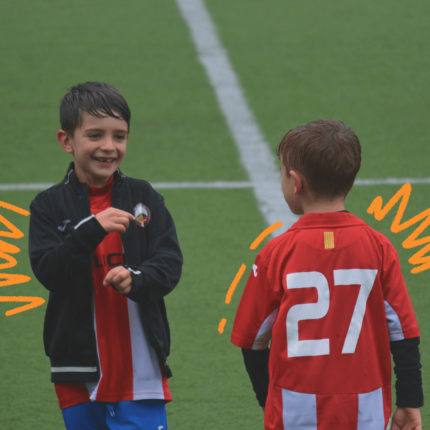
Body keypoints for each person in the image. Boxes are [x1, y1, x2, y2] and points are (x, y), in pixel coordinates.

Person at [231, 120, 423, 430]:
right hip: (366, 408)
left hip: (295, 408)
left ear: (296, 182)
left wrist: (268, 400)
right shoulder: (378, 247)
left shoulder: (276, 253)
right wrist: (410, 400)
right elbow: (403, 333)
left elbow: (252, 341)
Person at [29, 82, 183, 429]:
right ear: (66, 141)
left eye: (120, 136)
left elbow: (169, 262)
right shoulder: (48, 206)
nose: (109, 147)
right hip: (76, 366)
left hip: (140, 366)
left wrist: (137, 279)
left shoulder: (144, 197)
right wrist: (90, 229)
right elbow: (48, 271)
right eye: (95, 135)